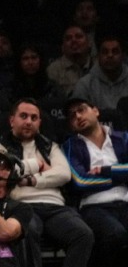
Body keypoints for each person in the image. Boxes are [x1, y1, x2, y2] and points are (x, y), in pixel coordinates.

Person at [0, 98, 94, 267]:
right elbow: (6, 173)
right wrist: (39, 165)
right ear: (12, 120)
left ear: (40, 122)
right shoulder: (0, 147)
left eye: (34, 118)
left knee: (83, 234)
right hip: (22, 205)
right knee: (27, 232)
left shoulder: (51, 146)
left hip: (55, 207)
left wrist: (31, 179)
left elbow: (64, 174)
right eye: (24, 116)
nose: (29, 122)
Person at [62, 96, 128, 267]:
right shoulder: (70, 146)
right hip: (94, 206)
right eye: (72, 115)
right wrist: (121, 177)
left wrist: (107, 170)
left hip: (126, 201)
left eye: (81, 110)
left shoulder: (124, 138)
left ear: (96, 111)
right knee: (116, 234)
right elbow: (80, 181)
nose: (77, 116)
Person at [70, 34, 128, 111]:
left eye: (115, 52)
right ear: (98, 56)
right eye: (105, 52)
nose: (110, 55)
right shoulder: (85, 85)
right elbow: (78, 115)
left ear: (123, 56)